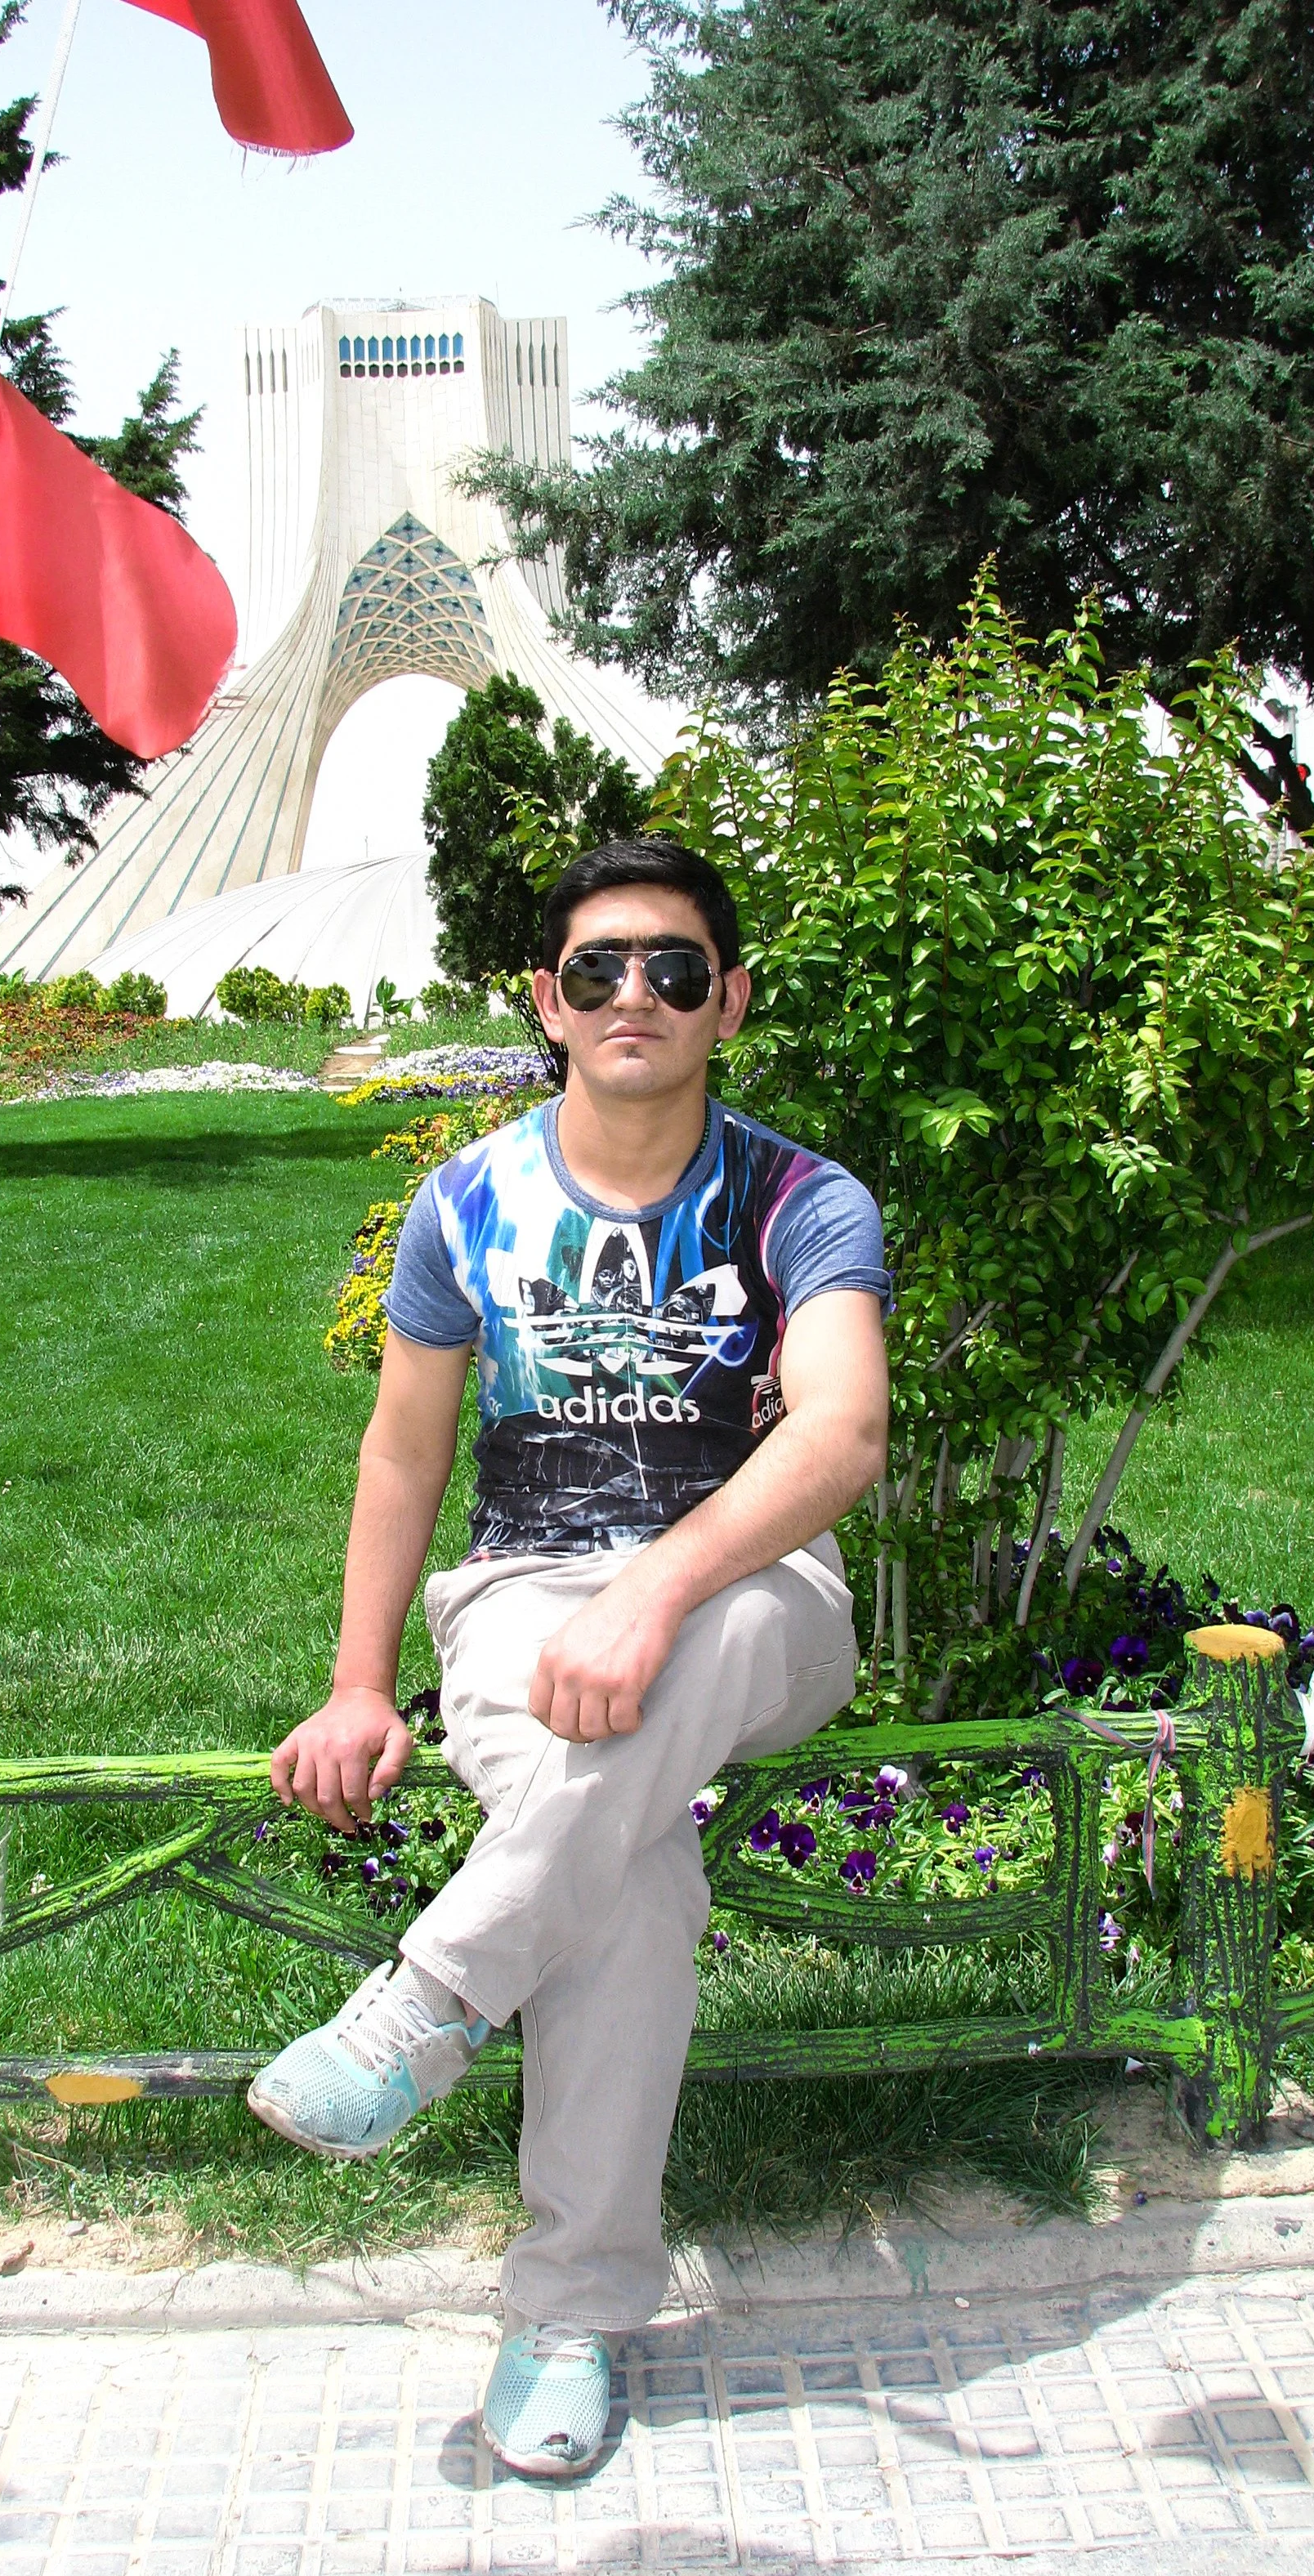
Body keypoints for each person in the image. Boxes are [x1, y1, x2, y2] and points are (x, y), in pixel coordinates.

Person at [250, 838, 889, 2479]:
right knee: (628, 1882)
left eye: (675, 970)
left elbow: (841, 1432)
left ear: (727, 1003)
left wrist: (663, 1585)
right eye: (599, 969)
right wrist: (355, 1680)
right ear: (547, 1001)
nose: (636, 998)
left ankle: (430, 2002)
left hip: (758, 1596)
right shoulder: (467, 1202)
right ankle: (575, 2313)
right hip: (520, 1597)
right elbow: (402, 1457)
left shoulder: (802, 1200)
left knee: (711, 1638)